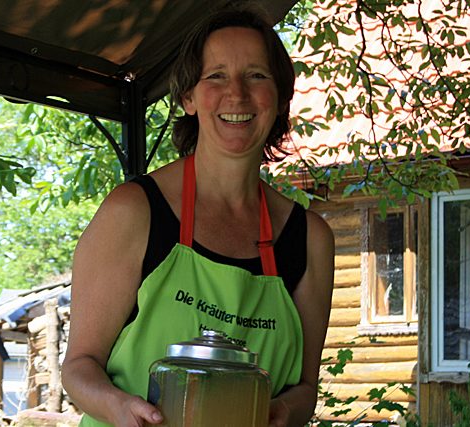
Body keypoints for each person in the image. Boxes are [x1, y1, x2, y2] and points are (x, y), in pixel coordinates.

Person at [61, 4, 334, 426]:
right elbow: (79, 366)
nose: (237, 94)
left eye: (257, 75)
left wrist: (282, 412)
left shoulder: (309, 238)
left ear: (279, 98)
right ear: (188, 96)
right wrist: (121, 408)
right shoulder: (135, 211)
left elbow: (305, 388)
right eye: (216, 76)